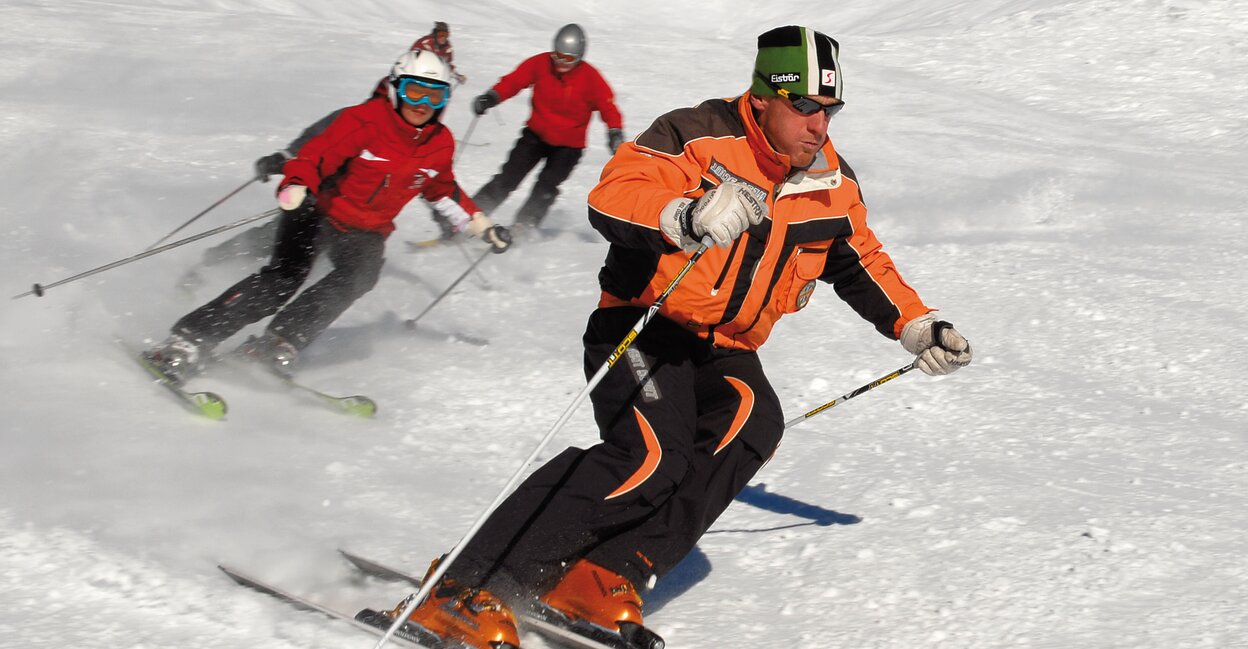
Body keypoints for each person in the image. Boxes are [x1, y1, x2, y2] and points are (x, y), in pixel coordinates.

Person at [375, 26, 973, 649]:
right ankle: (463, 586)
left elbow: (855, 258)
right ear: (763, 96)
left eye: (829, 111)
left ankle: (604, 572)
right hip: (640, 326)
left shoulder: (830, 180)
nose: (818, 126)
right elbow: (612, 195)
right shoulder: (693, 134)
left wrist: (913, 323)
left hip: (725, 346)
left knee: (752, 422)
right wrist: (681, 218)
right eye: (804, 108)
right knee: (651, 455)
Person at [145, 50, 511, 380]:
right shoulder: (364, 121)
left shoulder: (439, 142)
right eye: (415, 91)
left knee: (361, 275)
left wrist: (481, 226)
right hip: (318, 210)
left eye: (436, 94)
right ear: (398, 88)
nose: (423, 103)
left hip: (366, 229)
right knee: (283, 280)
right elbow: (317, 156)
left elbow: (441, 189)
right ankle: (188, 340)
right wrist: (297, 185)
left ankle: (278, 340)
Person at [468, 23, 624, 234]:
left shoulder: (590, 78)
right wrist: (492, 97)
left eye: (567, 59)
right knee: (507, 178)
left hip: (568, 147)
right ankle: (471, 217)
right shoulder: (540, 63)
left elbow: (608, 107)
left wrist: (614, 132)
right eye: (557, 55)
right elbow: (514, 81)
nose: (560, 62)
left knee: (546, 186)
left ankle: (524, 225)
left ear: (579, 57)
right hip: (535, 136)